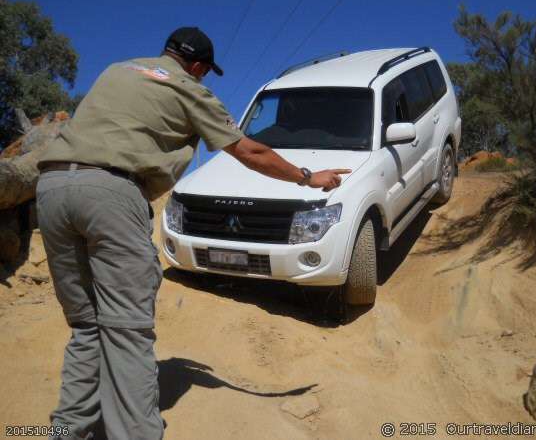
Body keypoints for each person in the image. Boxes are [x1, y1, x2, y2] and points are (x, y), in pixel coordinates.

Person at [36, 26, 350, 440]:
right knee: (127, 329)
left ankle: (67, 431)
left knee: (87, 324)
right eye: (203, 72)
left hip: (52, 189)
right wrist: (308, 178)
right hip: (110, 194)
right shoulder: (189, 89)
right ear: (199, 67)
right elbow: (250, 152)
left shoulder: (117, 70)